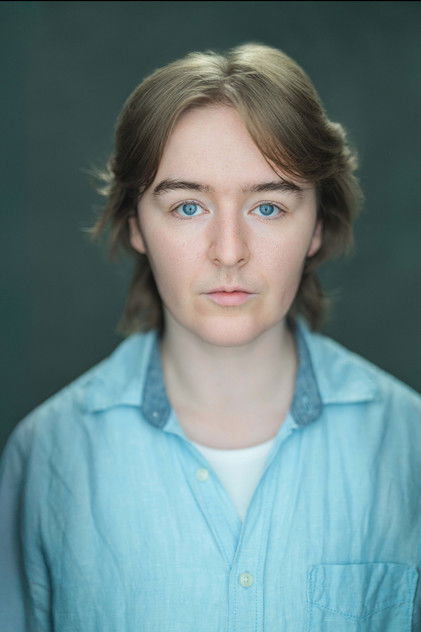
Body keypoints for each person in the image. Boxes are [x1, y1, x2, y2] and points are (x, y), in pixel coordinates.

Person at [0, 43, 420, 632]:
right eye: (188, 207)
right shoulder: (47, 453)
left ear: (317, 226)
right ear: (135, 224)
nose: (228, 251)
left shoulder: (409, 443)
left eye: (268, 207)